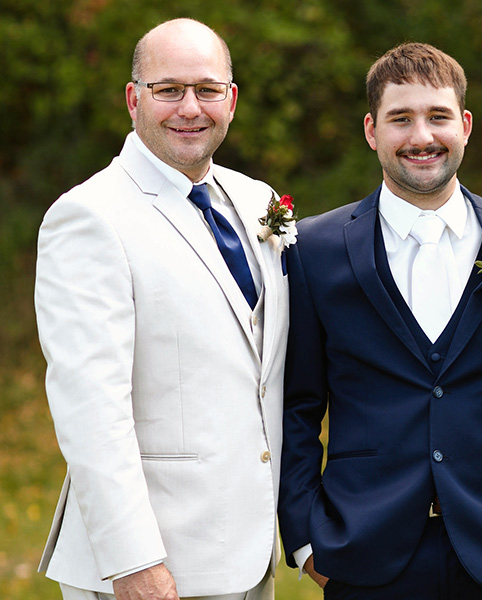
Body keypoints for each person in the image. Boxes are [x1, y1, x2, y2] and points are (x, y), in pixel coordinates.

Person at [277, 42, 482, 599]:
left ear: (464, 125)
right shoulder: (315, 248)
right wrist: (305, 539)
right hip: (360, 550)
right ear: (371, 130)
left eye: (438, 116)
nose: (421, 137)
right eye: (401, 119)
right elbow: (297, 406)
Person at [34, 18, 290, 600]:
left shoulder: (259, 202)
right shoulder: (90, 217)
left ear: (232, 100)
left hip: (248, 551)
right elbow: (91, 409)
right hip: (151, 566)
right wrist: (134, 562)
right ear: (133, 99)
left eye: (206, 89)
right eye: (168, 89)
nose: (189, 108)